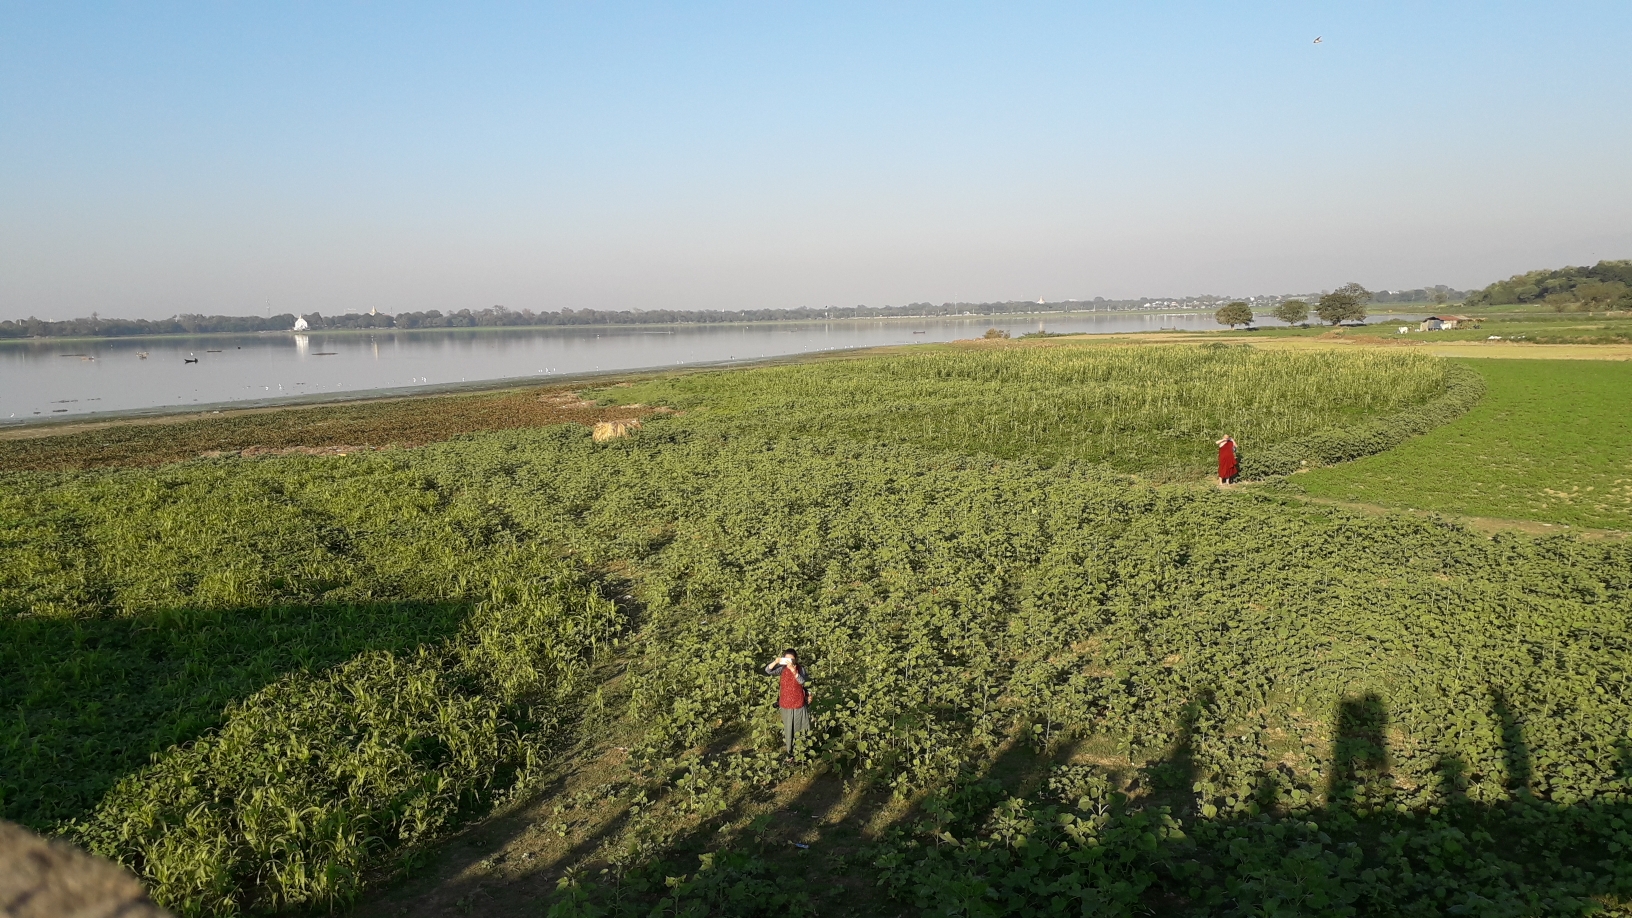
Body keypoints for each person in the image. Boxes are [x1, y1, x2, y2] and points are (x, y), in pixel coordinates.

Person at [765, 648, 810, 763]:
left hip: (798, 703)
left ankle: (803, 752)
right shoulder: (782, 669)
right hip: (785, 703)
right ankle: (790, 754)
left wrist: (793, 671)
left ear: (796, 659)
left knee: (800, 727)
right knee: (789, 729)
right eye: (787, 659)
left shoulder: (801, 669)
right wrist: (776, 661)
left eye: (792, 659)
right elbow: (768, 670)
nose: (789, 661)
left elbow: (802, 681)